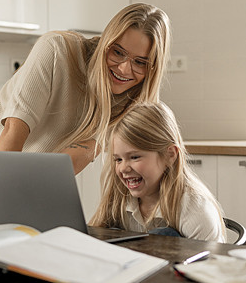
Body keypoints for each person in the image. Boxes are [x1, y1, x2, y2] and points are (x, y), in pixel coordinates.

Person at [0, 3, 171, 226]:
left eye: (140, 62)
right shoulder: (57, 50)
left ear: (152, 68)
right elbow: (15, 128)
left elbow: (70, 161)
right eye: (117, 52)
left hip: (27, 176)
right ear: (106, 41)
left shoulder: (130, 106)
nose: (125, 68)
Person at [90, 102, 225, 241]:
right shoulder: (119, 197)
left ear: (170, 155)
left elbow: (212, 262)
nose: (123, 168)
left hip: (187, 262)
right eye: (118, 159)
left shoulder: (194, 208)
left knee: (164, 235)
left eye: (134, 157)